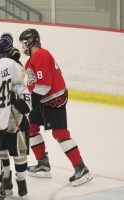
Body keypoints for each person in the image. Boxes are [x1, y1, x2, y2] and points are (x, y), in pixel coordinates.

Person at [19, 28, 93, 186]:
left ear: (31, 42)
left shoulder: (41, 55)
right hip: (44, 99)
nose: (23, 47)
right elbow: (36, 83)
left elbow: (45, 85)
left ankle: (81, 168)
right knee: (31, 127)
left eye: (24, 44)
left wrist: (30, 102)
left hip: (53, 100)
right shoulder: (35, 58)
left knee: (60, 133)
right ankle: (43, 164)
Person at [0, 33, 31, 198]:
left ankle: (21, 184)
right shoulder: (1, 68)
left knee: (18, 155)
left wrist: (14, 99)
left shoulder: (19, 84)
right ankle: (6, 180)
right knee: (2, 153)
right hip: (0, 121)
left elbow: (26, 107)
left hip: (17, 122)